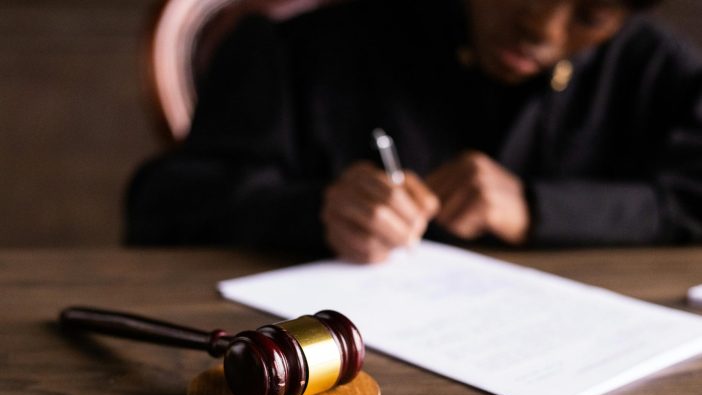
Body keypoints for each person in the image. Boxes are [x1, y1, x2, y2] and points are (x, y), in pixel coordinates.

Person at [127, 0, 702, 263]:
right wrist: (316, 210)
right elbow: (162, 204)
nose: (541, 27)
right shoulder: (306, 48)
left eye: (590, 16)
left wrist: (538, 207)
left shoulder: (651, 67)